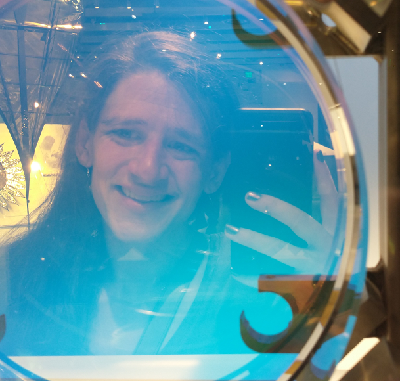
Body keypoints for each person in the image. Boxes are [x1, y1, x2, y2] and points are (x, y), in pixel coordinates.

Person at [0, 31, 338, 358]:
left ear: (215, 171)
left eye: (181, 146)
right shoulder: (12, 279)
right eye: (126, 133)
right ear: (85, 143)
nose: (148, 171)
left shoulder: (253, 298)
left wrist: (331, 319)